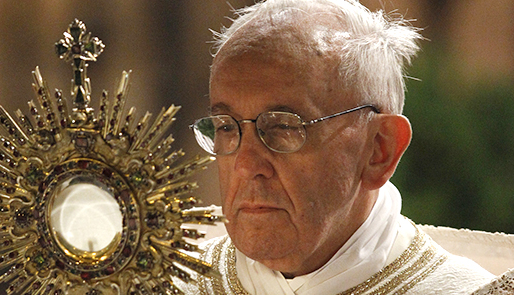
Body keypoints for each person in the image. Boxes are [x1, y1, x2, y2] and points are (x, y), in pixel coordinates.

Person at [179, 0, 513, 294]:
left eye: (282, 126)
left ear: (380, 150)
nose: (245, 164)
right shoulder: (163, 284)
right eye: (226, 127)